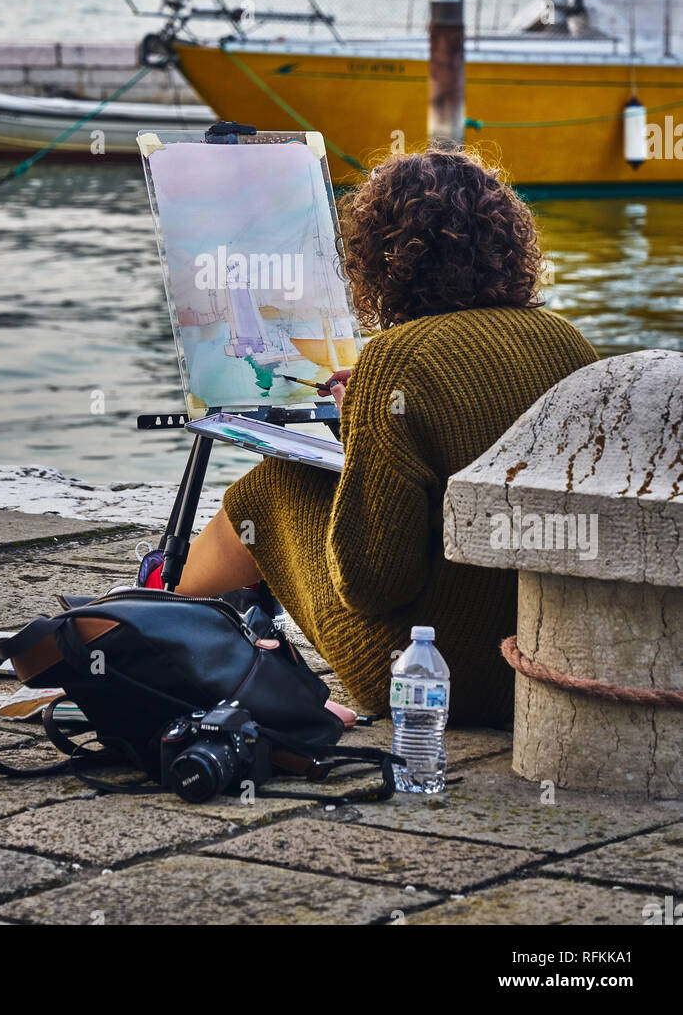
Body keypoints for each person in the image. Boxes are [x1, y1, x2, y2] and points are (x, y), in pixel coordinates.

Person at [140, 149, 599, 725]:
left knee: (274, 485)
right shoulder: (568, 342)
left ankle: (151, 620)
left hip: (433, 676)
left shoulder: (396, 358)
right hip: (544, 663)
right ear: (508, 244)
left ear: (379, 258)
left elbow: (374, 582)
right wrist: (375, 415)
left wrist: (365, 424)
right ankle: (181, 611)